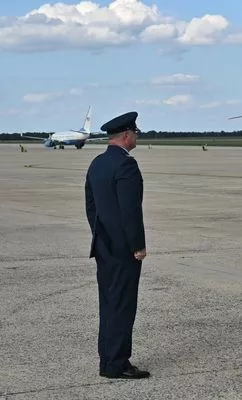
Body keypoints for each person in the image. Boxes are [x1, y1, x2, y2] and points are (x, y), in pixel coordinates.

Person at [85, 111, 150, 379]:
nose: (136, 137)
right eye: (135, 133)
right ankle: (117, 364)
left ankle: (108, 360)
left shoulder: (98, 163)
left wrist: (100, 235)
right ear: (126, 135)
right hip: (123, 249)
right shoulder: (126, 165)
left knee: (108, 304)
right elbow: (130, 209)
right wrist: (138, 245)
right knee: (122, 305)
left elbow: (91, 206)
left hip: (103, 245)